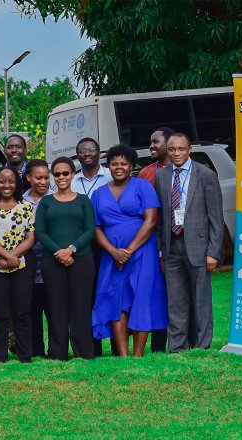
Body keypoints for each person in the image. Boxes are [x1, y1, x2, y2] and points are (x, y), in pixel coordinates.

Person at [91, 145, 168, 357]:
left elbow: (151, 221)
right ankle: (124, 355)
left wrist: (129, 250)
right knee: (116, 300)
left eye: (123, 163)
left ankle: (138, 354)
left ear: (131, 166)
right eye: (114, 163)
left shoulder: (143, 186)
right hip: (111, 256)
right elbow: (95, 228)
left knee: (141, 298)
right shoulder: (98, 194)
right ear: (108, 166)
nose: (119, 167)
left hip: (142, 253)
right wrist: (114, 252)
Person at [155, 132, 223, 352]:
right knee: (175, 300)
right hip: (172, 246)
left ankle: (202, 345)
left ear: (189, 149)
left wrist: (213, 251)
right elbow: (161, 218)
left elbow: (216, 218)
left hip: (199, 247)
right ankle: (177, 347)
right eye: (172, 149)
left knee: (200, 300)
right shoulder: (162, 176)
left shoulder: (206, 175)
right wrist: (161, 252)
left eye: (181, 149)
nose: (176, 153)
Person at [35, 157, 96, 361]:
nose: (61, 177)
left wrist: (70, 249)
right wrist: (59, 252)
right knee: (56, 307)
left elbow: (89, 230)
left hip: (82, 259)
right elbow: (40, 233)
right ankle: (57, 353)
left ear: (72, 175)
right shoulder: (46, 202)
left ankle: (84, 352)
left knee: (81, 305)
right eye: (58, 174)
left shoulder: (83, 200)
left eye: (65, 173)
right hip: (52, 261)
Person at [0, 166, 36, 363]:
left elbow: (31, 237)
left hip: (21, 265)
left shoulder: (26, 207)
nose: (7, 185)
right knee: (0, 311)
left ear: (17, 183)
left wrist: (13, 257)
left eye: (11, 181)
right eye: (2, 181)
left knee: (22, 310)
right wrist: (4, 256)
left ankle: (24, 355)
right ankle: (0, 355)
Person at [70, 137, 111, 356]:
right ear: (77, 155)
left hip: (106, 243)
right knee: (87, 296)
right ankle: (91, 347)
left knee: (108, 293)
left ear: (99, 153)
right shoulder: (73, 181)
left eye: (91, 149)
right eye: (82, 151)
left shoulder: (111, 176)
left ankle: (115, 345)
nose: (87, 154)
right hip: (80, 246)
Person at [138, 126, 175, 352]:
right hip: (153, 242)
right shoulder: (146, 174)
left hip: (181, 241)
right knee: (156, 293)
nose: (151, 146)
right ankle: (158, 345)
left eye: (155, 142)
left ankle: (184, 342)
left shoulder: (184, 170)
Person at [22, 159, 54, 357]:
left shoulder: (57, 197)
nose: (43, 182)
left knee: (54, 310)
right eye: (38, 178)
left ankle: (55, 349)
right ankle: (36, 350)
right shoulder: (21, 200)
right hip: (29, 262)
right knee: (31, 310)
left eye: (45, 177)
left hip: (52, 261)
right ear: (28, 178)